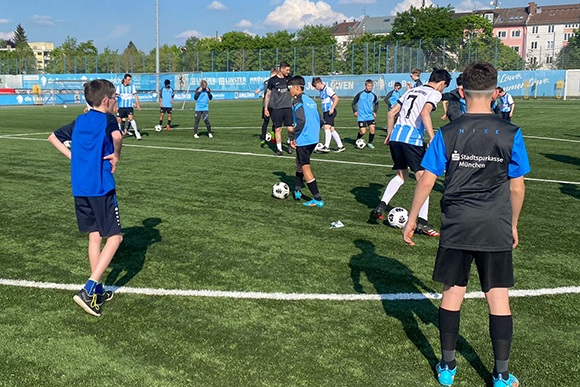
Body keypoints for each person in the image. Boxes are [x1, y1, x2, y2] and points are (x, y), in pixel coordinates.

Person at [402, 62, 530, 387]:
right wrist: (512, 223)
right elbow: (517, 187)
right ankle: (500, 375)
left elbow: (427, 179)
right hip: (495, 225)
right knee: (498, 297)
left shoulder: (447, 132)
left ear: (461, 91)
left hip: (457, 224)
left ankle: (447, 367)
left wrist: (413, 218)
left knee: (452, 293)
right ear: (496, 92)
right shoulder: (510, 132)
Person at [47, 79, 124, 317]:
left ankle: (98, 289)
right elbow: (118, 138)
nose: (116, 101)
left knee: (94, 236)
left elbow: (52, 137)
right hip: (100, 188)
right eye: (114, 98)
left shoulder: (80, 120)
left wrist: (73, 157)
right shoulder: (108, 119)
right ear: (105, 101)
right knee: (115, 238)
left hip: (80, 188)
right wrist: (116, 156)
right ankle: (89, 288)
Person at [372, 69, 451, 237]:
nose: (442, 91)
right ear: (442, 84)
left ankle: (382, 206)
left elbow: (391, 113)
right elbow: (424, 113)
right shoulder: (434, 94)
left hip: (396, 137)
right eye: (443, 88)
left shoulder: (411, 91)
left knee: (402, 175)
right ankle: (422, 222)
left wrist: (389, 133)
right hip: (412, 140)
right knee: (424, 180)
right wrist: (432, 137)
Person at [288, 76, 324, 208]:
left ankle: (317, 198)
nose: (289, 91)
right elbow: (320, 120)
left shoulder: (297, 101)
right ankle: (297, 189)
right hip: (313, 138)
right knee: (299, 161)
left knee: (305, 166)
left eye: (289, 88)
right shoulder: (311, 101)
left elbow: (301, 120)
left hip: (304, 138)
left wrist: (292, 136)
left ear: (297, 87)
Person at [264, 62, 293, 156]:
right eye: (287, 70)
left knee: (290, 128)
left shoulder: (290, 79)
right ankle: (279, 149)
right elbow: (268, 95)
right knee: (278, 129)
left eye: (289, 70)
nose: (288, 72)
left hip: (288, 107)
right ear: (281, 69)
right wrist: (266, 108)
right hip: (277, 108)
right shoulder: (272, 80)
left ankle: (290, 142)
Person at [312, 77, 345, 153]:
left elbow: (336, 98)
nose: (315, 88)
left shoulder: (328, 89)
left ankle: (326, 146)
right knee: (331, 129)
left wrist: (332, 108)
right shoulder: (321, 90)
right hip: (326, 111)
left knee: (326, 127)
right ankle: (340, 146)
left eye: (315, 86)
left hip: (330, 111)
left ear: (319, 83)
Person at [352, 79, 379, 149]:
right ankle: (357, 138)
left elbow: (376, 104)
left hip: (370, 116)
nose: (369, 87)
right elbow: (353, 103)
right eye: (368, 86)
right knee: (363, 131)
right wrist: (355, 111)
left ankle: (370, 143)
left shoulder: (373, 95)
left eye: (371, 86)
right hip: (361, 116)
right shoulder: (360, 94)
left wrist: (375, 111)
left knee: (372, 130)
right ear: (365, 86)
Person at [255, 68, 278, 147]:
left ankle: (263, 138)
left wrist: (263, 93)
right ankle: (273, 136)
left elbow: (256, 91)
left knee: (265, 122)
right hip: (274, 105)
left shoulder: (265, 82)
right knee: (275, 122)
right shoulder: (276, 82)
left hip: (265, 105)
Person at [116, 73, 141, 140]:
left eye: (130, 80)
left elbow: (135, 96)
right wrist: (115, 106)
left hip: (129, 106)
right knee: (118, 119)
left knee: (130, 118)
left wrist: (137, 104)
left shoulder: (132, 87)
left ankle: (136, 133)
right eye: (128, 80)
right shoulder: (119, 87)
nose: (129, 81)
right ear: (124, 80)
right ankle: (119, 133)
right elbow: (117, 97)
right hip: (121, 106)